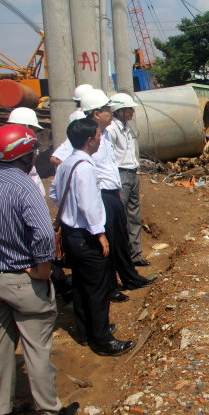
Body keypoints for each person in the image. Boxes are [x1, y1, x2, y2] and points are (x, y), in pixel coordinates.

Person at [0, 124, 79, 415]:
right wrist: (43, 268)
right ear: (25, 155)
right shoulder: (23, 185)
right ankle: (49, 410)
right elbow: (42, 233)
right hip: (23, 278)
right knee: (36, 346)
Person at [49, 118, 135, 356]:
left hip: (70, 234)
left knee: (80, 284)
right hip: (87, 236)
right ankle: (103, 339)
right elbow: (89, 206)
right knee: (97, 289)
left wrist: (69, 212)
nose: (100, 140)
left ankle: (86, 331)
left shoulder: (67, 163)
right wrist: (100, 234)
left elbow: (54, 192)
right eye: (98, 136)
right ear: (89, 140)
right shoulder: (85, 167)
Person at [79, 89, 154, 293]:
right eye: (106, 109)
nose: (131, 113)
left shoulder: (112, 130)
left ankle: (132, 264)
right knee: (110, 235)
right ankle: (113, 283)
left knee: (127, 223)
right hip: (110, 187)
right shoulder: (99, 134)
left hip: (124, 178)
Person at [7, 107, 76, 300]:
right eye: (34, 130)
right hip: (27, 208)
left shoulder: (25, 150)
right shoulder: (16, 156)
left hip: (33, 204)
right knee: (39, 246)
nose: (36, 133)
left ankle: (57, 283)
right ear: (25, 127)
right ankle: (51, 286)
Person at [108, 92, 149, 266]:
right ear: (119, 110)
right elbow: (108, 155)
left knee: (134, 215)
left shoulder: (126, 128)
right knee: (120, 216)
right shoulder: (111, 129)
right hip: (120, 175)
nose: (132, 112)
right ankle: (120, 257)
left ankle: (135, 255)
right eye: (129, 109)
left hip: (132, 174)